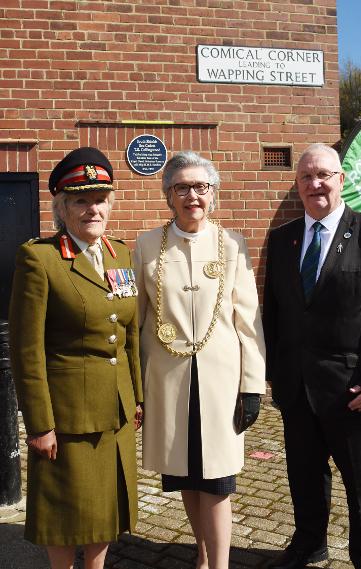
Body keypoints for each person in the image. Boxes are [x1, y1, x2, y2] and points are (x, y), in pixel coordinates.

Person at [9, 147, 143, 569]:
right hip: (67, 415)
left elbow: (130, 335)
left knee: (105, 505)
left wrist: (137, 397)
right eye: (81, 200)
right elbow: (26, 350)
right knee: (66, 512)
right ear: (61, 208)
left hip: (116, 409)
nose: (92, 209)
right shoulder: (41, 260)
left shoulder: (121, 254)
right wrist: (40, 424)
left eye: (100, 199)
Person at [134, 151, 266, 569]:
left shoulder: (232, 244)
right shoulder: (146, 244)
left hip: (220, 383)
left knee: (218, 481)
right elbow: (137, 318)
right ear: (168, 196)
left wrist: (252, 385)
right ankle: (204, 554)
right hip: (167, 379)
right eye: (182, 187)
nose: (193, 195)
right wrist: (135, 388)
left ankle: (220, 564)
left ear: (214, 194)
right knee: (186, 475)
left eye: (201, 186)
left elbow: (248, 321)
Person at [263, 143, 361, 569]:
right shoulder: (281, 240)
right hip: (297, 388)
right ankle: (309, 543)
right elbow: (273, 311)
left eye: (324, 175)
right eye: (306, 177)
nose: (315, 184)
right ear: (297, 185)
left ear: (341, 179)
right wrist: (276, 374)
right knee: (305, 477)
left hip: (354, 390)